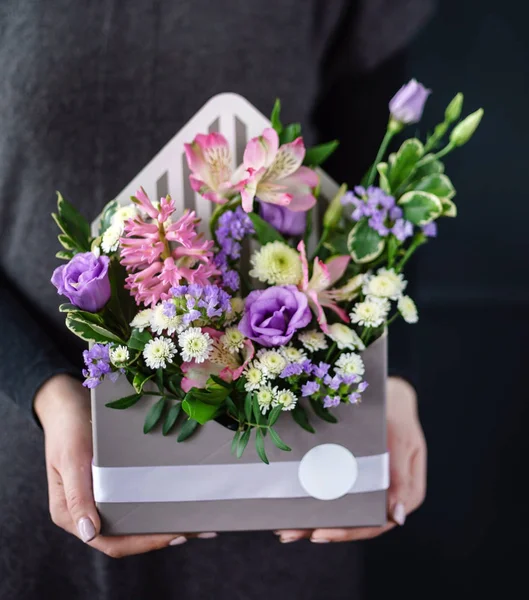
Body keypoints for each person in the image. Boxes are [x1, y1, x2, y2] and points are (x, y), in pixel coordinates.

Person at [0, 1, 433, 598]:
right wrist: (42, 388)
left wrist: (393, 382)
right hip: (37, 458)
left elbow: (376, 213)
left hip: (279, 483)